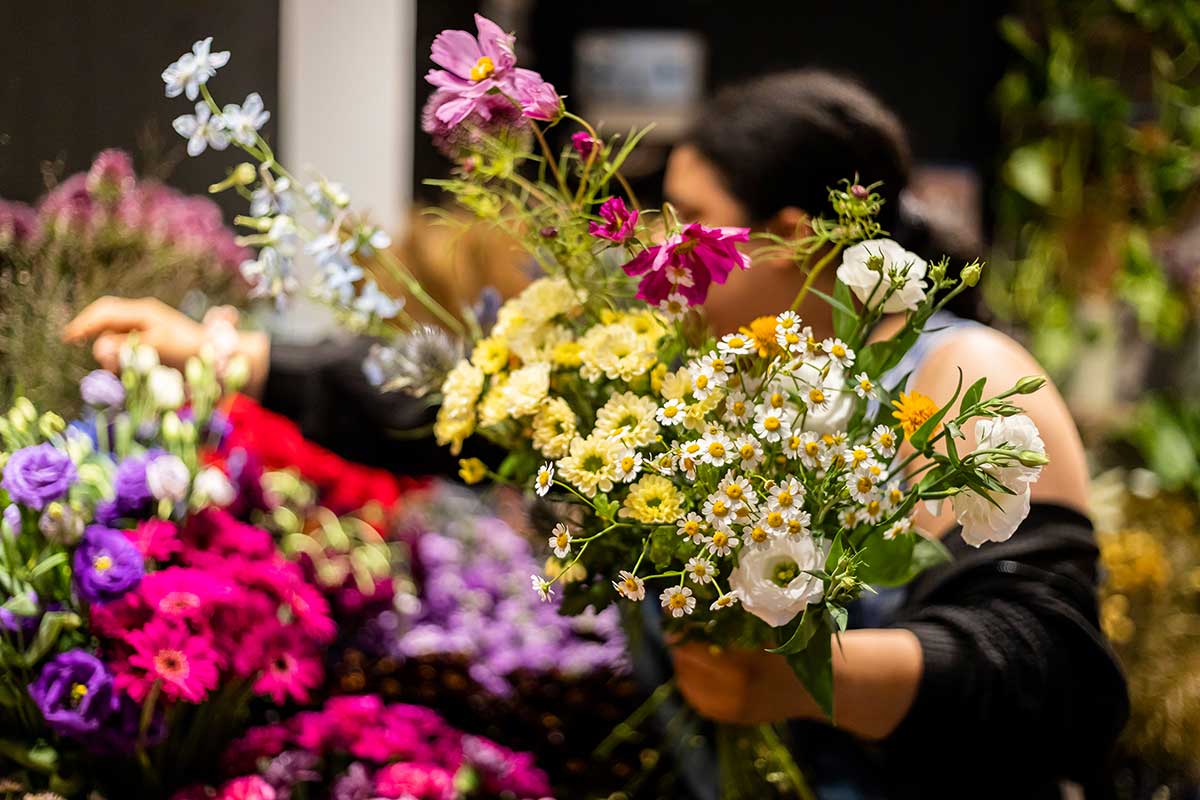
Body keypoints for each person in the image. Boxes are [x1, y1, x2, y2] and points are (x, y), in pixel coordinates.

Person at [65, 69, 1127, 799]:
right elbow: (462, 408)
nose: (659, 247)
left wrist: (811, 670)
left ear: (794, 241)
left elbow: (1059, 683)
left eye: (687, 215)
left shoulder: (964, 379)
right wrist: (232, 359)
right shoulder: (708, 376)